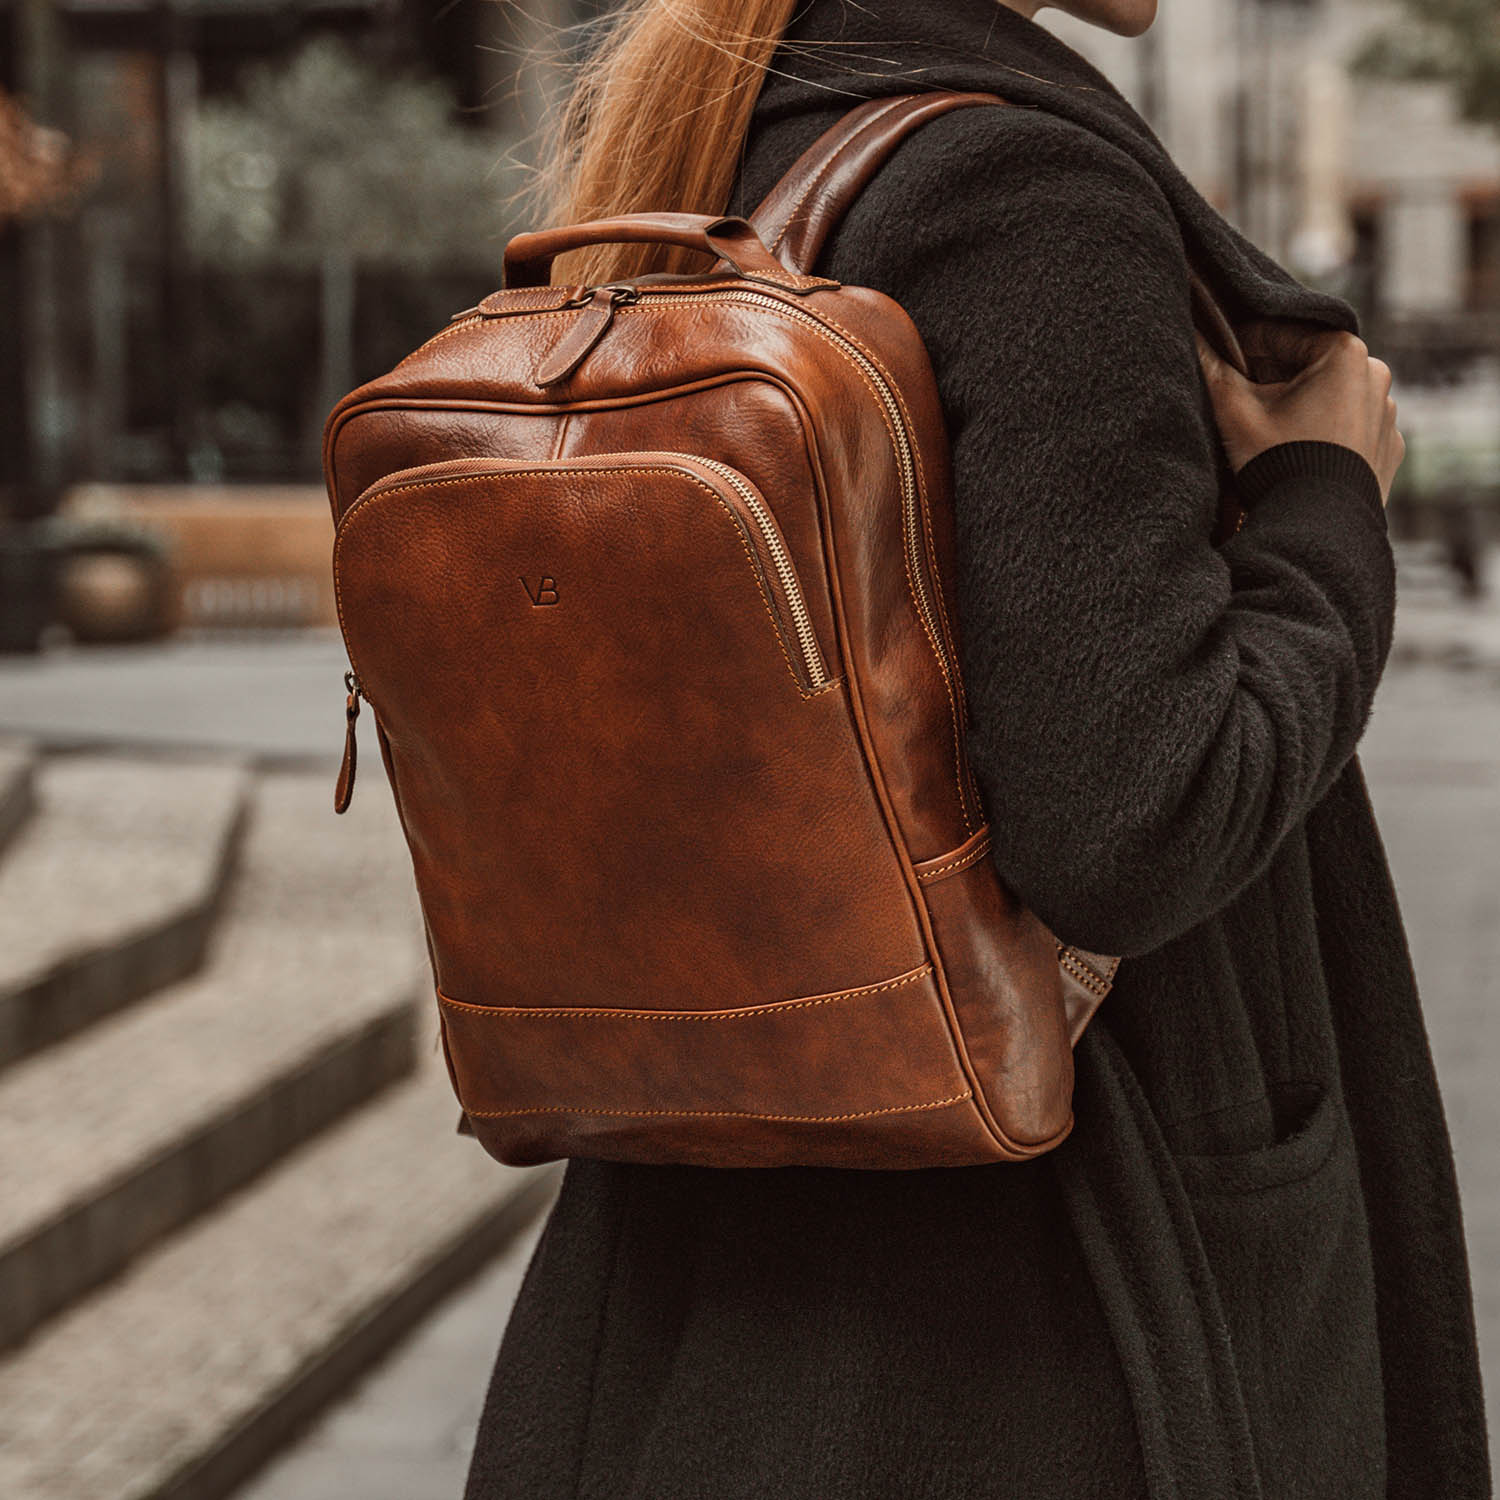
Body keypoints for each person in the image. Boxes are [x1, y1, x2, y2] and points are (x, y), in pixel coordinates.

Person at [462, 2, 1490, 1496]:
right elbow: (1139, 817)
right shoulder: (1020, 196)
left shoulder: (745, 140)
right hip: (1045, 1320)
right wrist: (1328, 496)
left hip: (733, 1266)